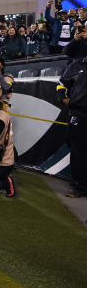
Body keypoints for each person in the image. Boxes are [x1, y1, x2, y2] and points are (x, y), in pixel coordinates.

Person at [57, 56, 87, 197]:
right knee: (78, 151)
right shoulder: (77, 64)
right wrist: (62, 98)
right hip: (80, 114)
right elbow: (61, 83)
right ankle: (79, 186)